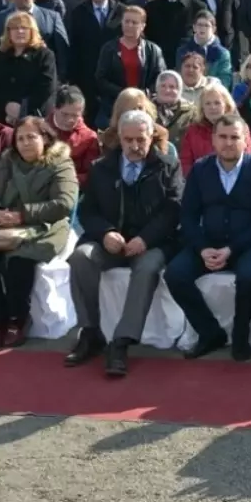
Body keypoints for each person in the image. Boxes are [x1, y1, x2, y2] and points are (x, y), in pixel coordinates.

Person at [66, 109, 182, 375]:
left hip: (151, 243)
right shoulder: (101, 167)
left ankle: (121, 341)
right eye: (128, 140)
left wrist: (145, 238)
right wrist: (105, 232)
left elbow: (174, 209)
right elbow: (87, 211)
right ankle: (91, 332)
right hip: (110, 242)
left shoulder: (167, 166)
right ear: (119, 138)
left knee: (147, 268)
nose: (135, 146)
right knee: (81, 257)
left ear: (151, 136)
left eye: (141, 139)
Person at [163, 115, 251, 361]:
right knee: (174, 274)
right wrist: (202, 247)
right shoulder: (200, 169)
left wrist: (232, 249)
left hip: (250, 244)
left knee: (248, 277)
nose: (228, 143)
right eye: (223, 137)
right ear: (213, 140)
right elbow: (189, 216)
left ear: (245, 140)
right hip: (209, 242)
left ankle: (240, 332)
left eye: (234, 137)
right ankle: (210, 333)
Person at [0, 116, 79, 349]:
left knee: (19, 261)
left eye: (31, 137)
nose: (26, 143)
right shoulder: (9, 161)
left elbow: (64, 203)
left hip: (45, 226)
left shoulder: (60, 162)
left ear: (45, 138)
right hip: (5, 225)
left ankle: (18, 320)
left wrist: (23, 214)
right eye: (20, 138)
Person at [0, 12, 58, 125]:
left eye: (24, 28)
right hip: (2, 117)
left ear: (32, 31)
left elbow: (47, 86)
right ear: (8, 32)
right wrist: (6, 105)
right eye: (15, 28)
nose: (20, 31)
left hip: (35, 117)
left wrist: (22, 106)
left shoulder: (44, 55)